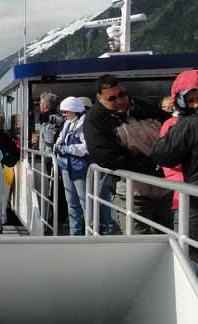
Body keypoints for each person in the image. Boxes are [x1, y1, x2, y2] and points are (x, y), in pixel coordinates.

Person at [83, 74, 171, 234]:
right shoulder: (95, 120)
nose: (120, 100)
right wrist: (149, 165)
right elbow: (105, 156)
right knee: (137, 243)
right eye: (112, 98)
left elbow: (170, 126)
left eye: (123, 94)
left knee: (168, 241)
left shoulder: (142, 107)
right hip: (132, 194)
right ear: (100, 98)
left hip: (163, 190)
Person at [152, 70, 198, 252]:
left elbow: (164, 155)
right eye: (191, 100)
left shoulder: (185, 124)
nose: (195, 105)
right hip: (186, 195)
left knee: (189, 253)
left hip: (189, 199)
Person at [53, 97, 91, 235]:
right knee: (72, 202)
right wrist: (57, 146)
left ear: (75, 110)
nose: (64, 114)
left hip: (80, 168)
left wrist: (68, 149)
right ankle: (74, 233)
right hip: (67, 167)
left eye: (66, 111)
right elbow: (60, 139)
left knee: (85, 202)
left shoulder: (85, 124)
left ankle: (89, 234)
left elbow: (87, 147)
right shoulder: (68, 123)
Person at [0, 113, 19, 225]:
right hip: (6, 170)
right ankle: (0, 221)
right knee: (3, 198)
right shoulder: (5, 136)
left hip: (0, 172)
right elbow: (16, 153)